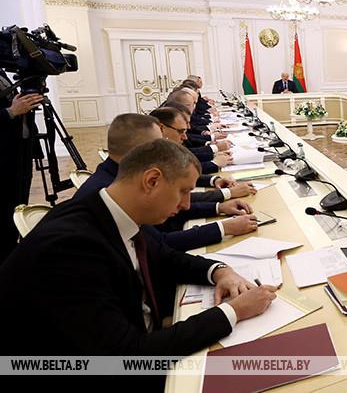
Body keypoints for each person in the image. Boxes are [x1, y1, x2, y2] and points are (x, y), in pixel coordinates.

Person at [0, 139, 277, 390]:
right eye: (183, 191)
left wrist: (220, 271)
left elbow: (166, 257)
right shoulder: (70, 249)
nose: (186, 204)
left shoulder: (112, 210)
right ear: (151, 181)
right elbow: (127, 357)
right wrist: (233, 312)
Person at [75, 114, 258, 251]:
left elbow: (170, 207)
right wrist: (223, 227)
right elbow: (158, 244)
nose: (166, 150)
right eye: (158, 145)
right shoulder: (108, 194)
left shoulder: (117, 175)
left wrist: (219, 207)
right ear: (137, 151)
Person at [0, 70, 41, 262]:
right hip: (4, 157)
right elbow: (11, 109)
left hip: (17, 153)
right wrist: (11, 112)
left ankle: (11, 253)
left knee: (16, 205)